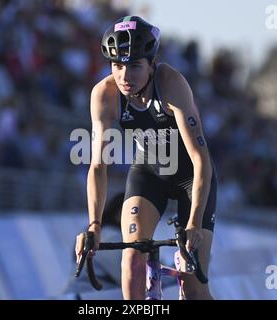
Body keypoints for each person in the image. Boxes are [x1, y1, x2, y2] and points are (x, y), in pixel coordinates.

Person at [75, 16, 217, 300]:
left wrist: (194, 223)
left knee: (193, 287)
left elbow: (201, 160)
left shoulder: (171, 83)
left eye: (134, 66)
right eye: (117, 66)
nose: (124, 76)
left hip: (191, 176)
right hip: (149, 172)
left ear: (152, 64)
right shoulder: (104, 94)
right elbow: (98, 165)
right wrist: (94, 225)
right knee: (131, 258)